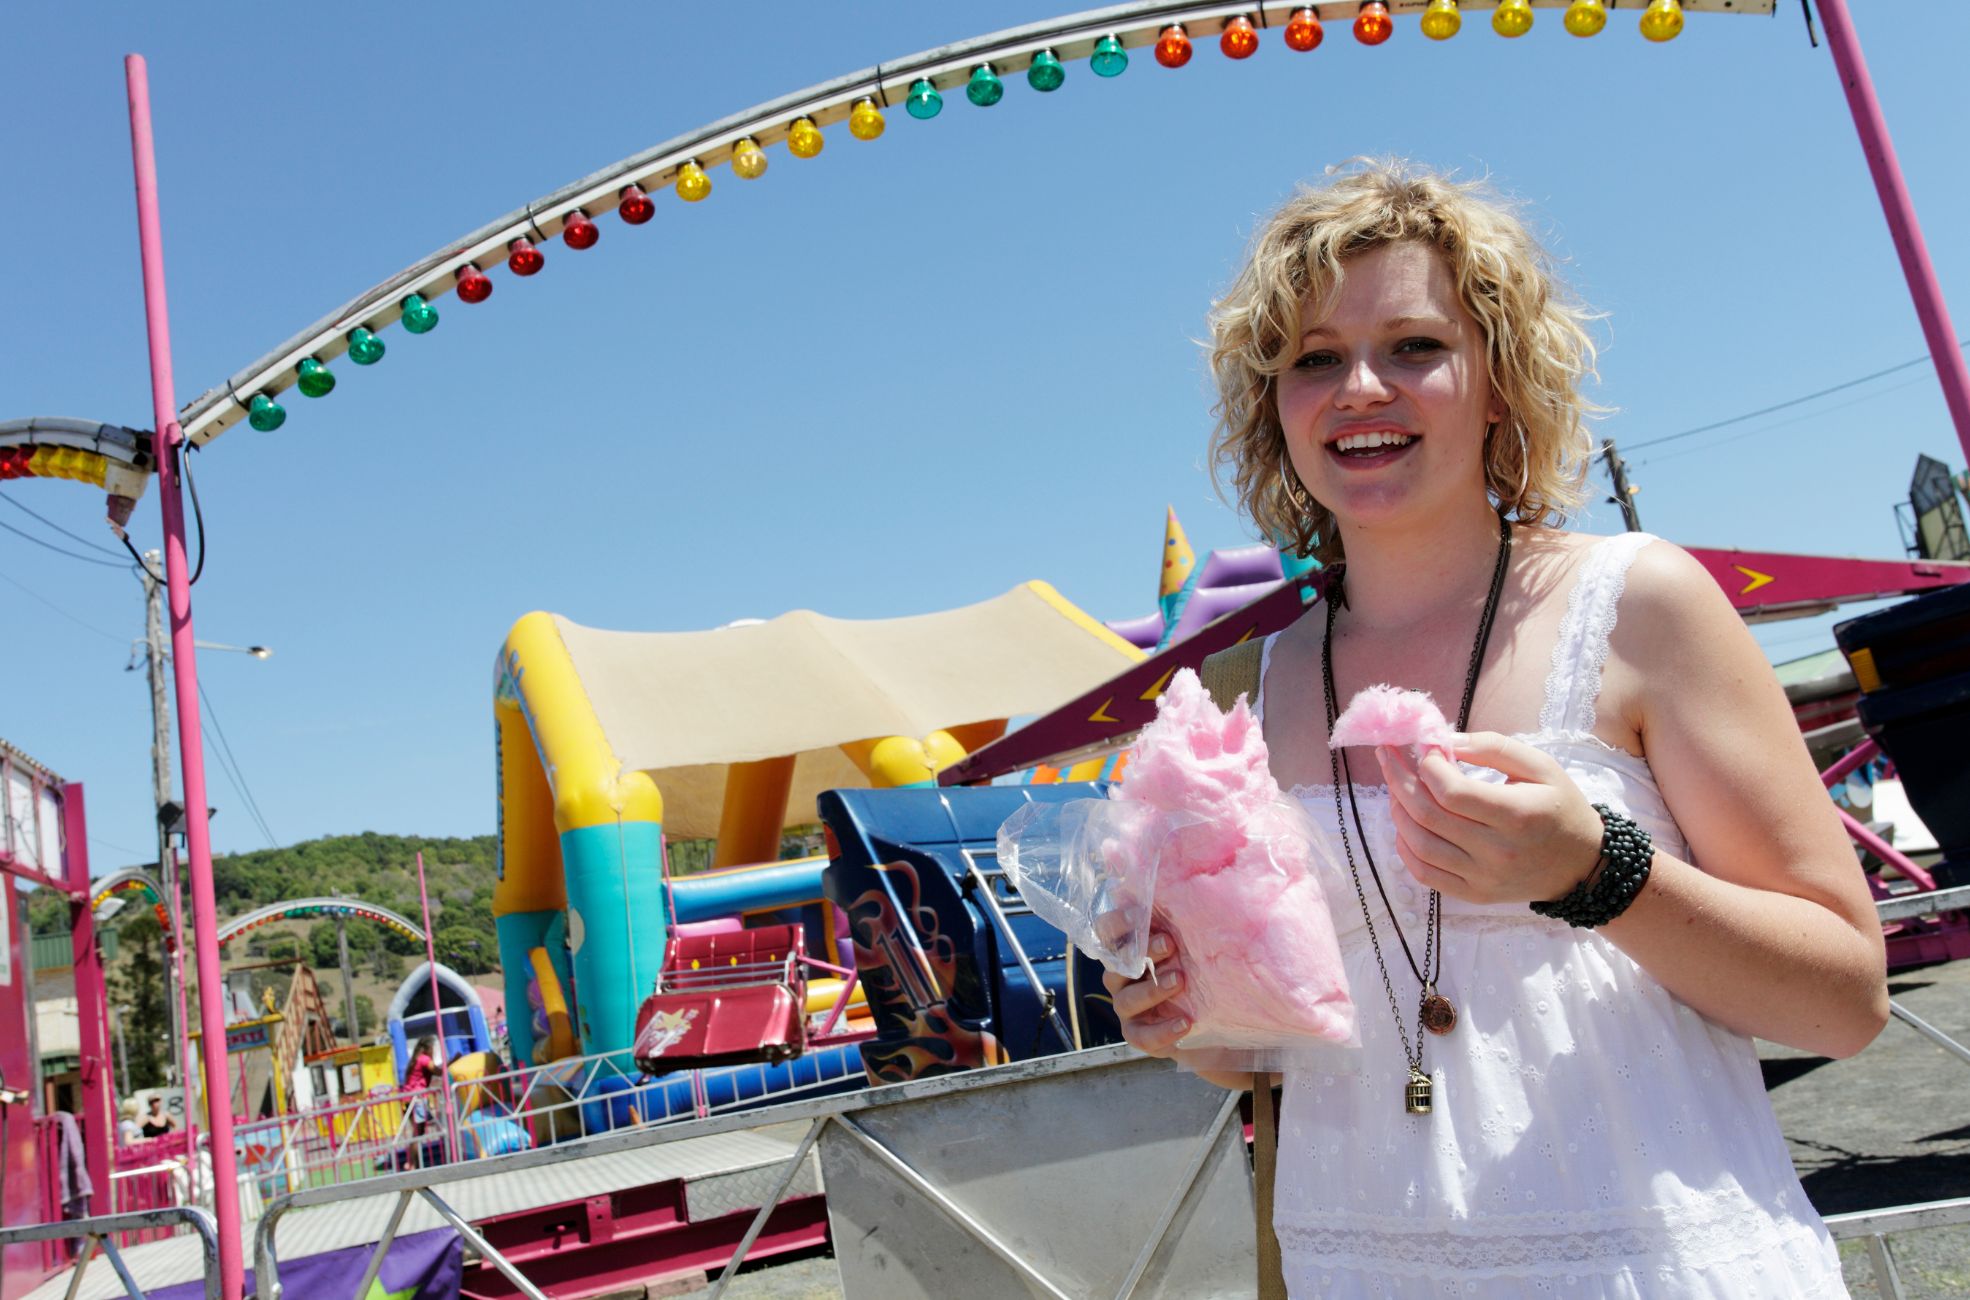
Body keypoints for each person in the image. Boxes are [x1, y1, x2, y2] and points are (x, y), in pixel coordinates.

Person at [1105, 160, 1886, 1297]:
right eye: (1312, 359)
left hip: (1651, 1267)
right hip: (1361, 1269)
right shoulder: (1246, 685)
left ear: (1498, 378)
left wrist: (1598, 871)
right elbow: (1267, 1052)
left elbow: (1844, 999)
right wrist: (1179, 1018)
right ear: (1272, 408)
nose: (1359, 386)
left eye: (1413, 345)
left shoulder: (1639, 606)